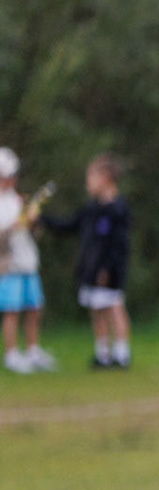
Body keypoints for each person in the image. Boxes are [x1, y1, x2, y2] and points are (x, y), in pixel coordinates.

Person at [38, 153, 131, 369]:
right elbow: (69, 225)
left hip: (109, 269)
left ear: (105, 177)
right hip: (90, 268)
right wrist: (42, 220)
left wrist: (107, 268)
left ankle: (121, 353)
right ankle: (103, 354)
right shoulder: (91, 208)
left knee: (114, 307)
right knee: (96, 310)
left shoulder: (117, 209)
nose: (88, 182)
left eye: (91, 176)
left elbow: (118, 245)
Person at [0, 148, 55, 373]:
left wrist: (32, 222)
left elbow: (33, 233)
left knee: (34, 308)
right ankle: (12, 355)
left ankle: (32, 351)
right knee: (12, 311)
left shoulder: (17, 200)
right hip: (9, 266)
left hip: (28, 262)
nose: (10, 180)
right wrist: (12, 227)